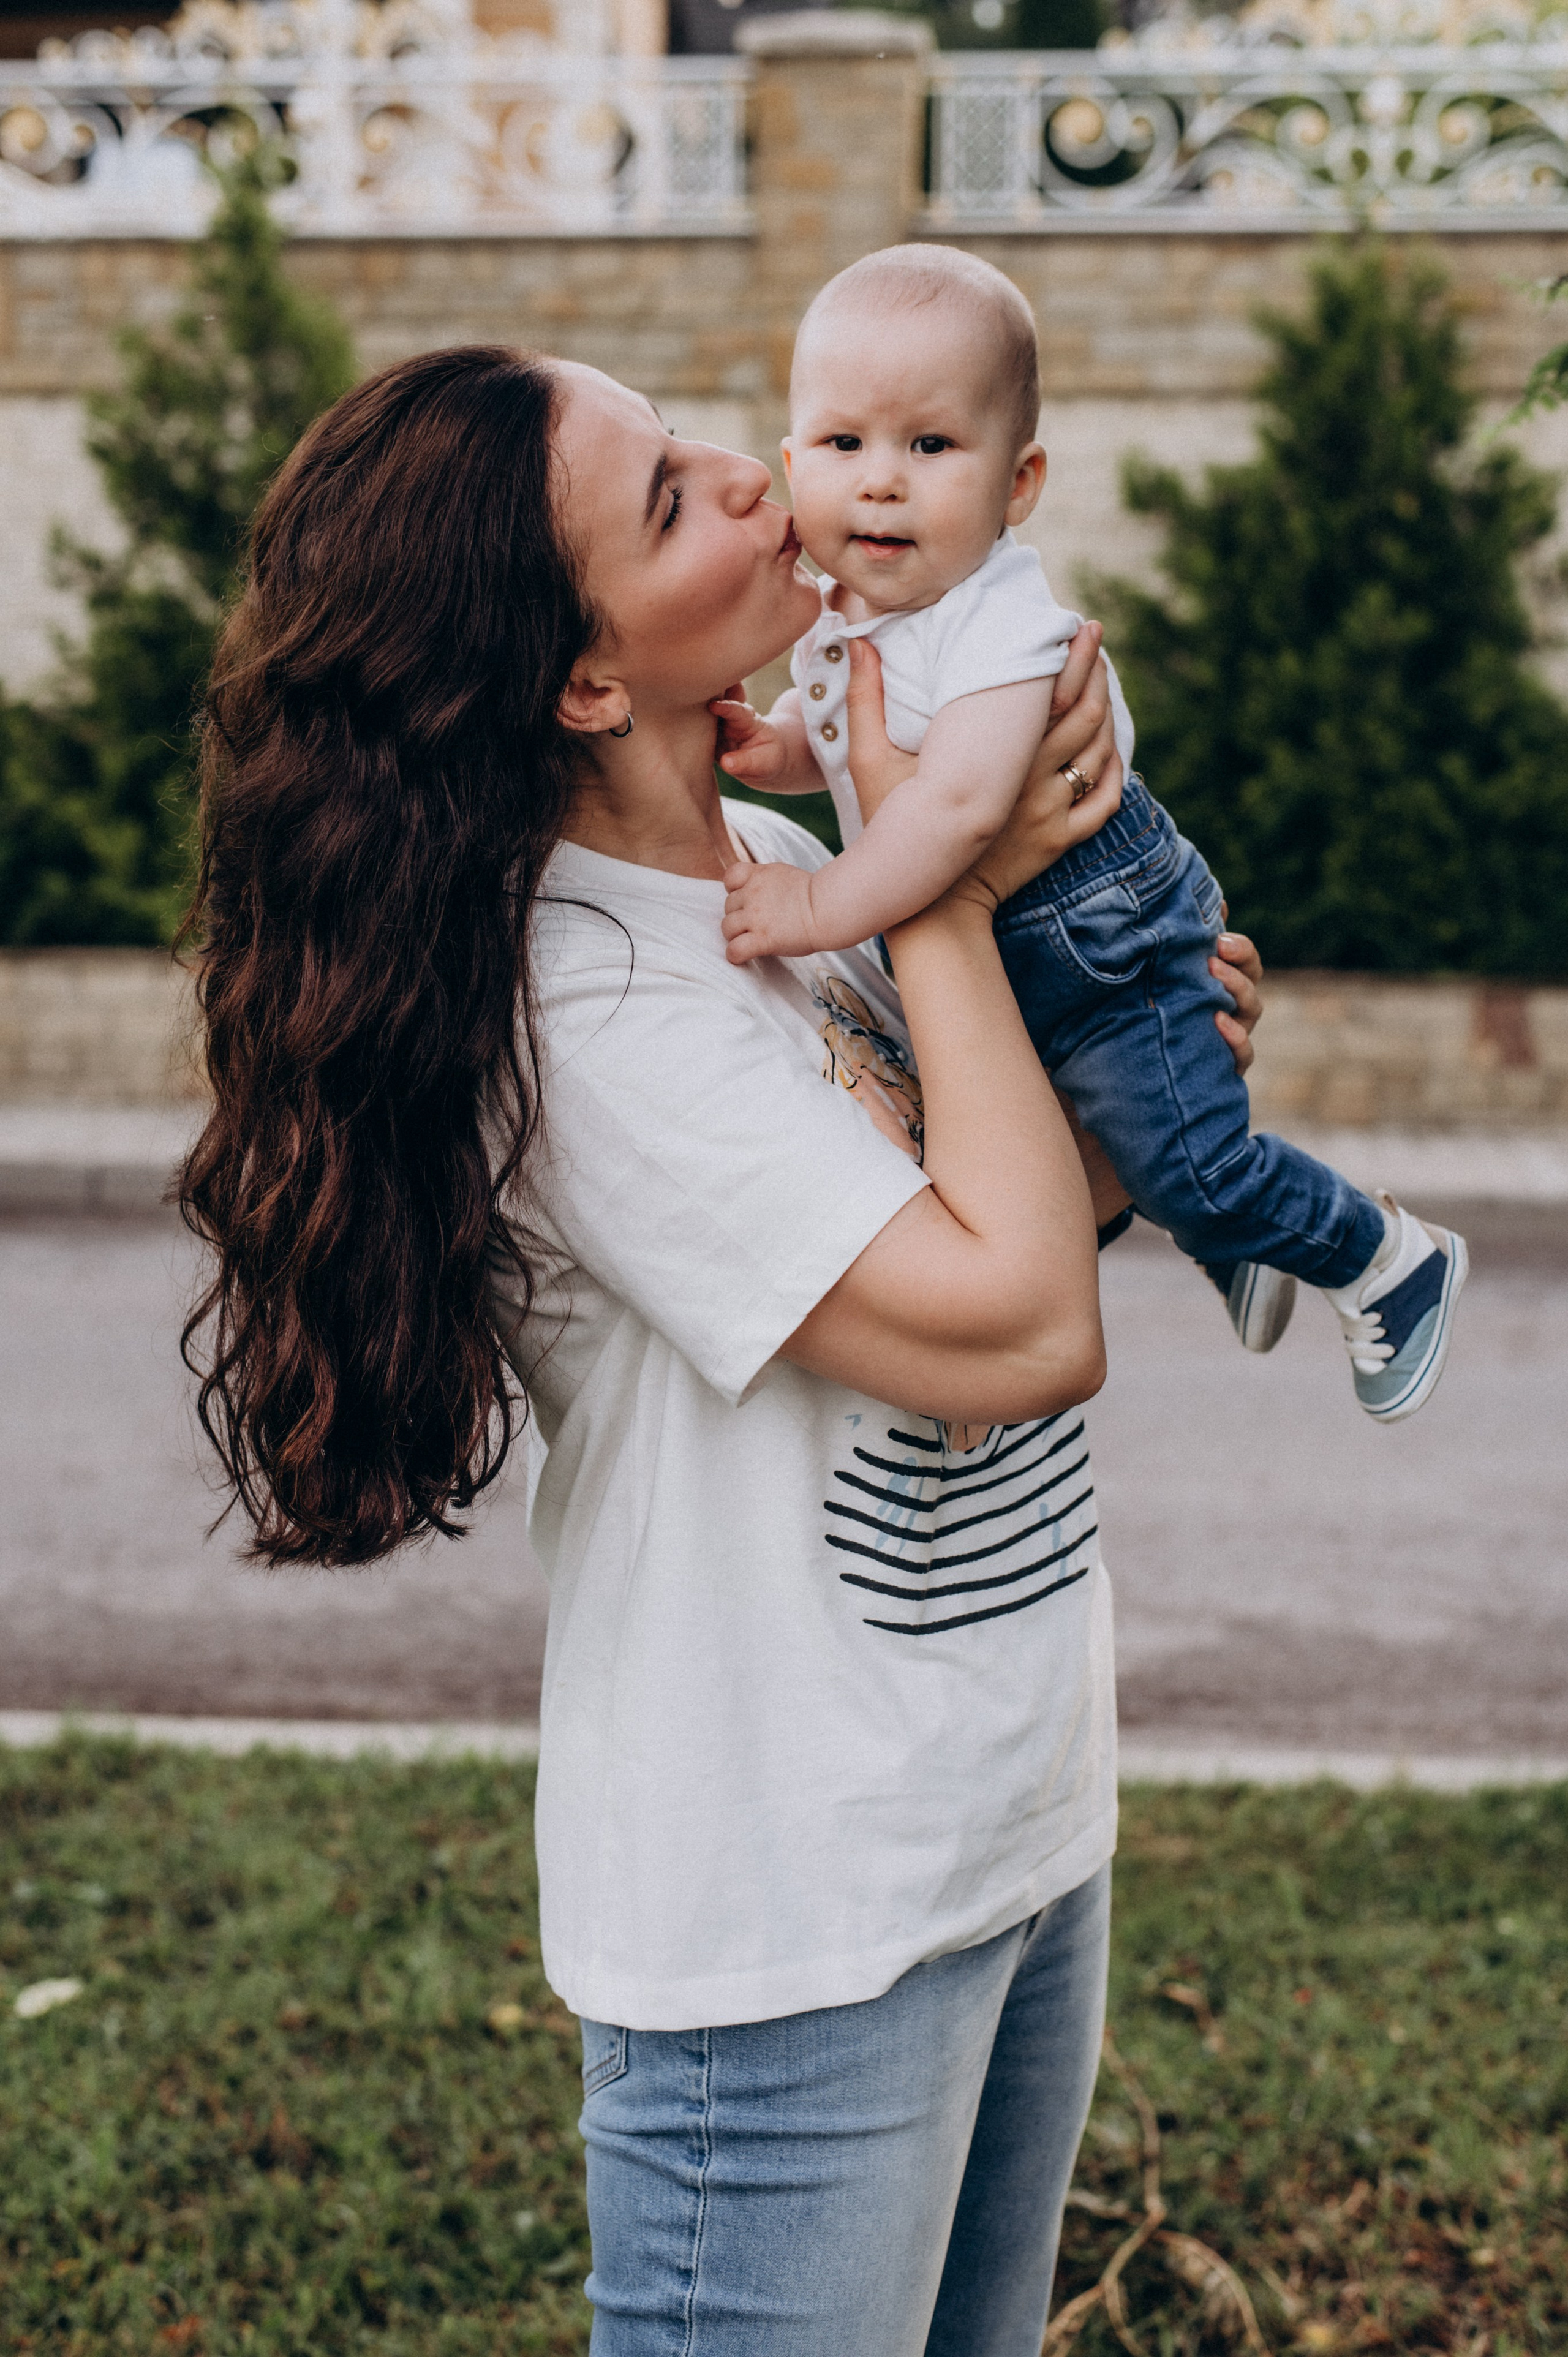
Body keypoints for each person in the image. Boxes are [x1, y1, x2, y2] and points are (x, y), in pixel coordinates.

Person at [179, 344, 1265, 2355]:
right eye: (673, 497)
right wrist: (934, 861)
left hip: (1004, 1818)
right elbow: (1022, 1327)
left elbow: (1016, 1213)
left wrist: (1142, 1080)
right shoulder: (593, 1011)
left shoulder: (762, 885)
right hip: (794, 1916)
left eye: (697, 438)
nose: (760, 478)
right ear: (587, 680)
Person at [714, 246, 1467, 1424]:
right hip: (1017, 954)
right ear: (793, 457)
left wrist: (815, 906)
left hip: (1106, 942)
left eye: (931, 446)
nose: (881, 484)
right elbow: (849, 735)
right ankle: (1234, 1240)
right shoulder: (856, 609)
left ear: (1020, 485)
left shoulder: (1003, 623)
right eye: (844, 444)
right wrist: (777, 752)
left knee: (1195, 1163)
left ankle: (1383, 1257)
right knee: (1122, 1141)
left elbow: (959, 807)